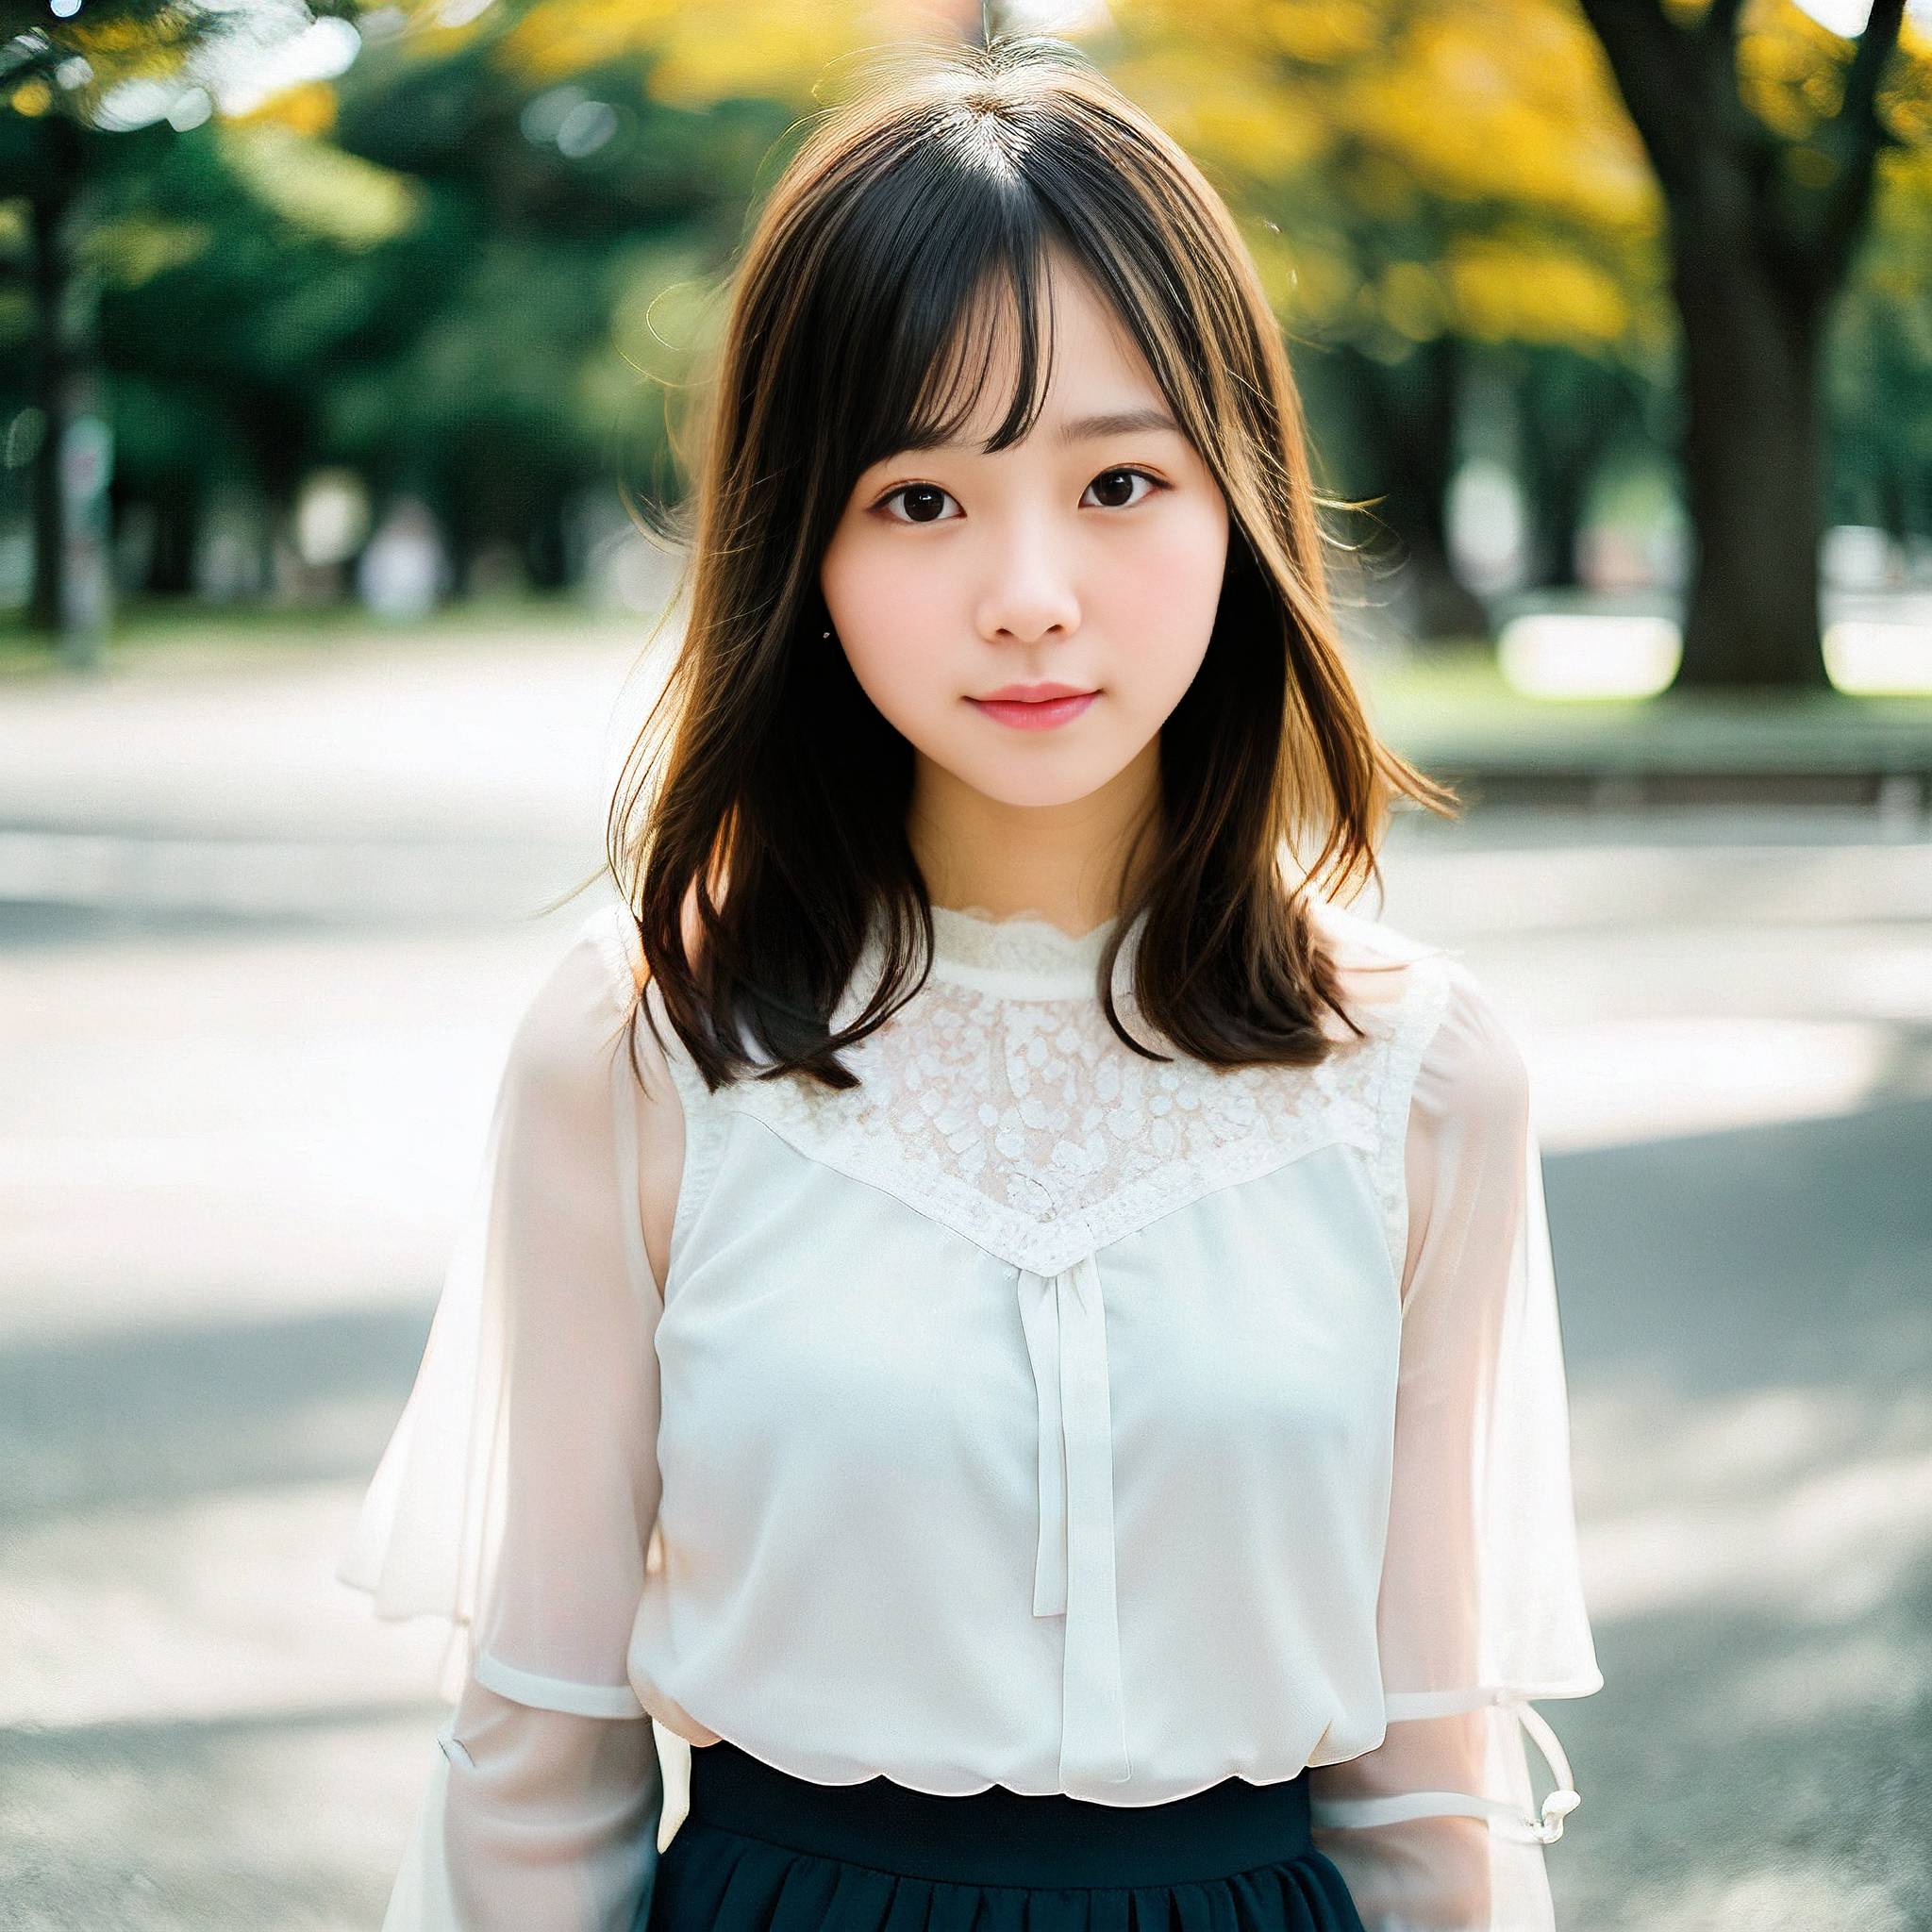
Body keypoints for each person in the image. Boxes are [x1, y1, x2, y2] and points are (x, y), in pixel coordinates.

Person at [338, 34, 1604, 1932]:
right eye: (920, 498)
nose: (1029, 590)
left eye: (1117, 482)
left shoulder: (1413, 1074)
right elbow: (540, 1752)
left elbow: (1431, 1773)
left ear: (1237, 502)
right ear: (809, 547)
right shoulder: (646, 1048)